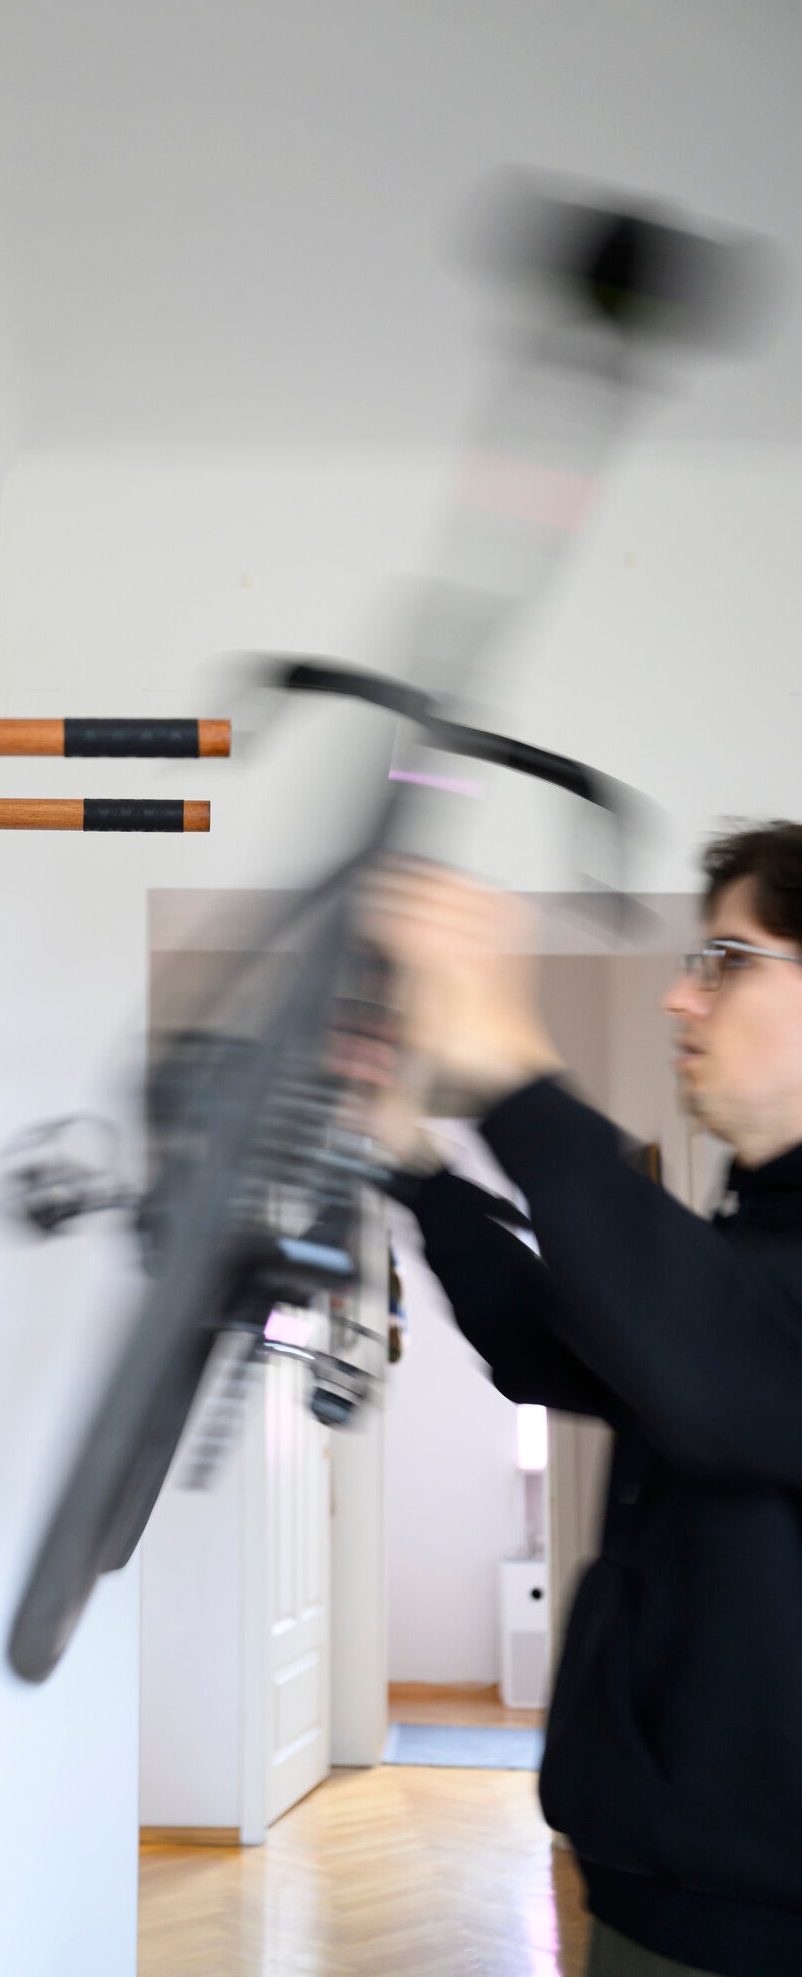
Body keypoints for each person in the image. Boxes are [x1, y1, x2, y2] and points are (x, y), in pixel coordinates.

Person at [363, 822, 802, 1977]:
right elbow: (562, 1348)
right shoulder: (756, 1235)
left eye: (726, 958)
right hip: (659, 1888)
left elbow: (715, 1367)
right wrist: (410, 1163)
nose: (678, 996)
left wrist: (512, 1066)